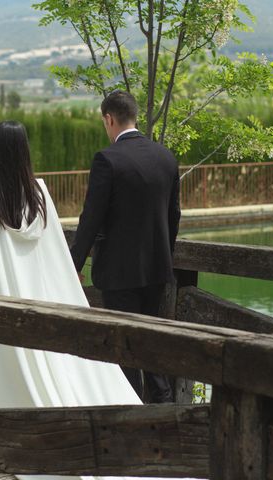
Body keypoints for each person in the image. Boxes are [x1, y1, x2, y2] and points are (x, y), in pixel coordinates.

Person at [0, 121, 195, 480]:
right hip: (43, 303)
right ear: (24, 154)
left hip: (6, 307)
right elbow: (53, 254)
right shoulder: (40, 194)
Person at [70, 90, 181, 404]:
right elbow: (174, 215)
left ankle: (134, 429)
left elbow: (91, 219)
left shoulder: (108, 160)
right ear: (135, 116)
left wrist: (73, 265)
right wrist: (165, 256)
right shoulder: (166, 156)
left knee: (125, 350)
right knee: (152, 346)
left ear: (109, 119)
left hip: (119, 273)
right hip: (158, 270)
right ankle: (164, 413)